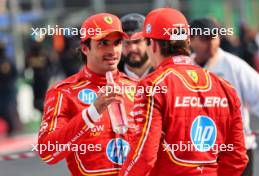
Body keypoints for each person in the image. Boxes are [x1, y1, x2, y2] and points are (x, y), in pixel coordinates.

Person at [120, 8, 248, 176]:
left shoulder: (152, 86)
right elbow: (237, 157)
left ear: (154, 45)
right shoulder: (225, 87)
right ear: (187, 41)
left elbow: (144, 155)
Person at [38, 13, 139, 175]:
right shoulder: (64, 92)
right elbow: (48, 153)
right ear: (85, 48)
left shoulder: (138, 88)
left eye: (118, 43)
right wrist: (93, 111)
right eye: (103, 43)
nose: (112, 50)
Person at [190, 18, 259, 176]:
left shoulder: (234, 65)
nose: (210, 44)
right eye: (204, 39)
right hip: (198, 152)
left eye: (213, 38)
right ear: (191, 41)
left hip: (236, 150)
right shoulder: (185, 69)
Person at [118, 13, 153, 79]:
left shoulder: (166, 75)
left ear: (149, 41)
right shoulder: (109, 77)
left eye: (137, 41)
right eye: (127, 43)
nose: (132, 48)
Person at [0, 42, 21, 135]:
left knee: (8, 110)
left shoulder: (7, 61)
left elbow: (15, 74)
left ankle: (12, 129)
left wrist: (10, 83)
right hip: (4, 90)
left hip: (8, 91)